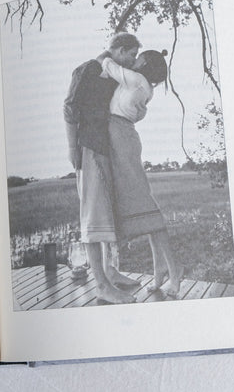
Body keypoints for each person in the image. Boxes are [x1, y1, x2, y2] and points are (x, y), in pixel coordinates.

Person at [63, 32, 141, 304]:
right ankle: (101, 286)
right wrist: (72, 148)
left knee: (108, 213)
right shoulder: (88, 69)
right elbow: (69, 109)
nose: (133, 61)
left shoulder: (114, 76)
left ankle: (110, 271)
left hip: (108, 150)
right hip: (89, 147)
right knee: (94, 215)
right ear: (119, 50)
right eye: (131, 55)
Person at [101, 49, 183, 298]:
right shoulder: (147, 88)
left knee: (146, 205)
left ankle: (174, 270)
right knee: (145, 208)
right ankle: (160, 269)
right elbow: (138, 112)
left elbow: (108, 64)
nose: (133, 60)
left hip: (121, 136)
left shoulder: (135, 79)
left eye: (137, 57)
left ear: (144, 62)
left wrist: (110, 53)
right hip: (124, 135)